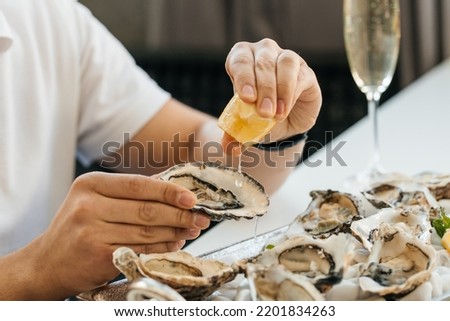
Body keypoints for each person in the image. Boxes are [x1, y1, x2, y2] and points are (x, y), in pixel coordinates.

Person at [0, 0, 321, 300]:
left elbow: (191, 144)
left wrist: (268, 129)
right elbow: (39, 271)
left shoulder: (48, 17)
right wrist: (37, 270)